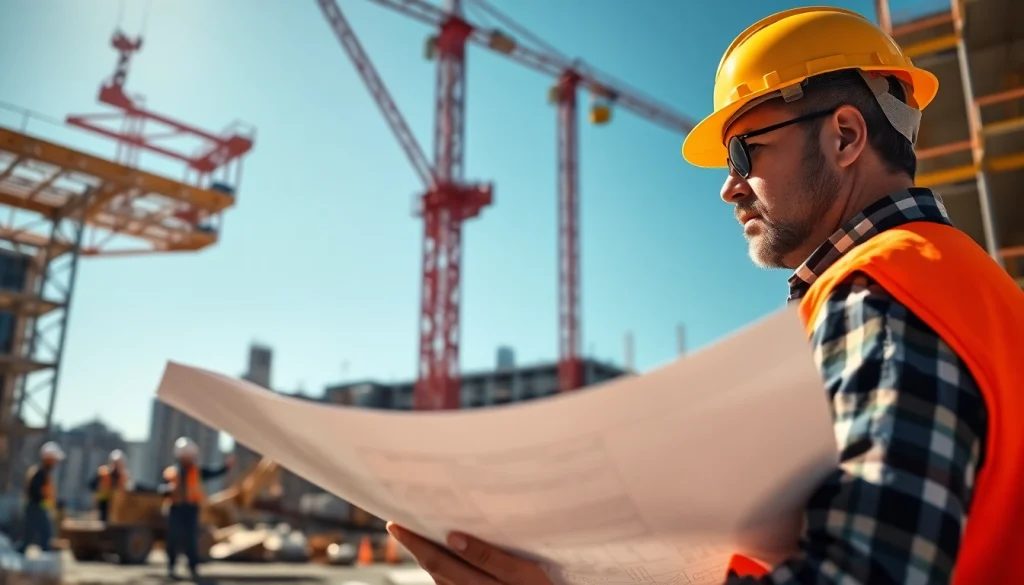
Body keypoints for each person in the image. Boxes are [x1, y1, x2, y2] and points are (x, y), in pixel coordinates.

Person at [386, 6, 1024, 585]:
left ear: (846, 136)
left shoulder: (884, 293)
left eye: (745, 152)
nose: (729, 187)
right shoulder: (951, 281)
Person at [159, 436, 233, 580]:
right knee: (173, 539)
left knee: (191, 540)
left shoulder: (197, 471)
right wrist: (167, 490)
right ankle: (172, 567)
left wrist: (226, 467)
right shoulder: (171, 472)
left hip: (191, 510)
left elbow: (213, 472)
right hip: (176, 509)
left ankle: (193, 568)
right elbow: (161, 488)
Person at [19, 441, 64, 553]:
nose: (55, 463)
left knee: (30, 535)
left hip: (37, 506)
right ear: (48, 458)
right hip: (36, 506)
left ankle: (26, 552)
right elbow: (34, 491)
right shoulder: (40, 473)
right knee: (45, 533)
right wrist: (44, 500)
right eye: (54, 459)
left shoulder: (42, 472)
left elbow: (46, 492)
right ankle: (46, 556)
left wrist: (55, 503)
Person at [88, 449, 132, 523]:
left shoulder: (125, 475)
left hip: (118, 505)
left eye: (119, 463)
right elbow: (91, 485)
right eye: (115, 463)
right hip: (104, 503)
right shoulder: (103, 473)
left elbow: (129, 489)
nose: (116, 465)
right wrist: (99, 489)